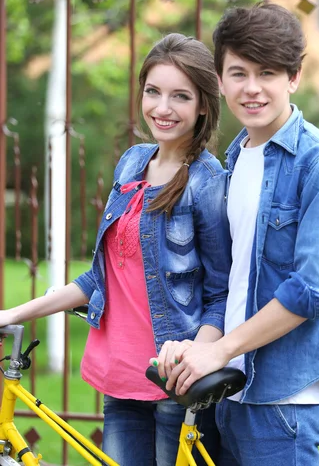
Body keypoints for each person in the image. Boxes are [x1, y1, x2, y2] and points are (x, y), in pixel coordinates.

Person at [0, 33, 232, 466]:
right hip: (120, 377)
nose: (162, 108)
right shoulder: (132, 162)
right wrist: (13, 314)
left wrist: (194, 355)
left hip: (173, 383)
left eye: (180, 96)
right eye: (153, 91)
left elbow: (222, 293)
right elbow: (103, 277)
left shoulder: (206, 180)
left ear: (203, 104)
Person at [154, 3, 319, 466]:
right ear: (221, 80)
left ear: (293, 77)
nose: (251, 88)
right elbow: (232, 283)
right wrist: (202, 350)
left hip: (284, 400)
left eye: (267, 72)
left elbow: (312, 291)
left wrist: (220, 351)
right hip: (231, 389)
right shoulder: (239, 157)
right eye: (238, 72)